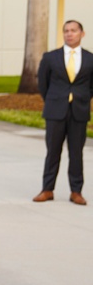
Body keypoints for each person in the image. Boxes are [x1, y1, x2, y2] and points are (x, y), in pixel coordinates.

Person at [33, 20, 93, 205]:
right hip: (55, 111)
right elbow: (43, 84)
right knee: (53, 152)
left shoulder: (90, 59)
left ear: (82, 34)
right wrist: (54, 100)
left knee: (76, 153)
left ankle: (76, 191)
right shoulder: (50, 57)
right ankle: (47, 189)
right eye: (66, 31)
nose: (69, 34)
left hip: (79, 111)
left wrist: (82, 98)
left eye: (73, 31)